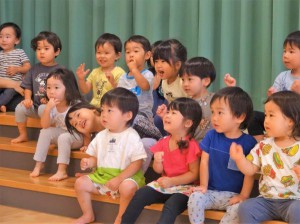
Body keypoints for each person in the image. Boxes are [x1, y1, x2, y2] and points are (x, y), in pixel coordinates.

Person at [72, 87, 147, 224]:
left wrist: (119, 179)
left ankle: (121, 218)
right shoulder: (101, 135)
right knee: (80, 183)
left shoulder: (132, 136)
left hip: (125, 178)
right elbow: (95, 157)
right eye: (102, 110)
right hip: (103, 178)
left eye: (110, 110)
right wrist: (89, 162)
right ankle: (88, 214)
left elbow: (138, 163)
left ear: (127, 116)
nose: (104, 114)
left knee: (127, 187)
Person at [122, 97, 202, 224]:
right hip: (166, 185)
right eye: (168, 112)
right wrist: (158, 162)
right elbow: (158, 170)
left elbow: (194, 174)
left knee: (171, 204)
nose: (167, 115)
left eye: (173, 113)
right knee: (141, 194)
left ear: (187, 123)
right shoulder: (163, 141)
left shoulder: (192, 145)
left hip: (185, 189)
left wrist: (172, 181)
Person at [187, 87, 257, 224]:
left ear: (239, 117)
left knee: (239, 209)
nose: (214, 118)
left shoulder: (249, 142)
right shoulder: (211, 135)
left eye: (220, 113)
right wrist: (203, 185)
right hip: (210, 192)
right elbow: (204, 162)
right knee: (195, 198)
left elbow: (250, 173)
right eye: (213, 112)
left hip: (233, 195)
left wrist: (244, 195)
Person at [230, 91, 300, 224]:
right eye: (266, 115)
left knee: (298, 210)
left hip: (294, 201)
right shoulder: (263, 145)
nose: (266, 120)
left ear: (290, 121)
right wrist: (240, 159)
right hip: (266, 201)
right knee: (246, 207)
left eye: (271, 115)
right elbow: (250, 170)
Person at [30, 68, 84, 181]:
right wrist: (48, 109)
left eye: (56, 87)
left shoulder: (75, 105)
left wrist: (87, 144)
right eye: (48, 87)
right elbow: (45, 125)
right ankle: (39, 165)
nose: (51, 91)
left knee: (64, 137)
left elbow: (85, 128)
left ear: (68, 89)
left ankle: (62, 171)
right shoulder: (52, 104)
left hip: (77, 136)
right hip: (62, 134)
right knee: (45, 132)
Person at [11, 31, 62, 143]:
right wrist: (27, 99)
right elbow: (28, 86)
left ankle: (50, 138)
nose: (41, 52)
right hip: (35, 106)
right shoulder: (33, 69)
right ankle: (23, 135)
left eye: (46, 49)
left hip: (53, 109)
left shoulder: (60, 71)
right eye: (39, 49)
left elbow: (63, 93)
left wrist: (50, 101)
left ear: (57, 51)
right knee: (20, 108)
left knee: (43, 109)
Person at [76, 33, 125, 107]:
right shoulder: (95, 72)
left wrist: (113, 82)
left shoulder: (119, 72)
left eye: (106, 53)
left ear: (117, 55)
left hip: (111, 107)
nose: (102, 56)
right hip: (95, 107)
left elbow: (122, 94)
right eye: (99, 52)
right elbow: (85, 90)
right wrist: (81, 79)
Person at [153, 39, 188, 136]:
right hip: (174, 115)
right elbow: (169, 102)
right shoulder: (164, 82)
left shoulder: (183, 82)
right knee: (158, 119)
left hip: (186, 117)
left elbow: (193, 105)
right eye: (156, 61)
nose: (158, 65)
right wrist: (166, 111)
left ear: (177, 65)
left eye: (163, 61)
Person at [180, 56, 216, 142]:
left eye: (189, 79)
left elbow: (231, 105)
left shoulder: (216, 99)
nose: (185, 84)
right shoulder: (185, 103)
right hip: (192, 146)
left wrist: (231, 88)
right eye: (183, 80)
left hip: (212, 145)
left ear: (206, 81)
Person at [0, 22, 31, 112]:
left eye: (7, 37)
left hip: (15, 84)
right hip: (2, 83)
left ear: (17, 40)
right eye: (0, 37)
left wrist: (18, 69)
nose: (3, 40)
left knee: (10, 91)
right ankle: (2, 105)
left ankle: (1, 104)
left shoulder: (20, 52)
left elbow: (28, 66)